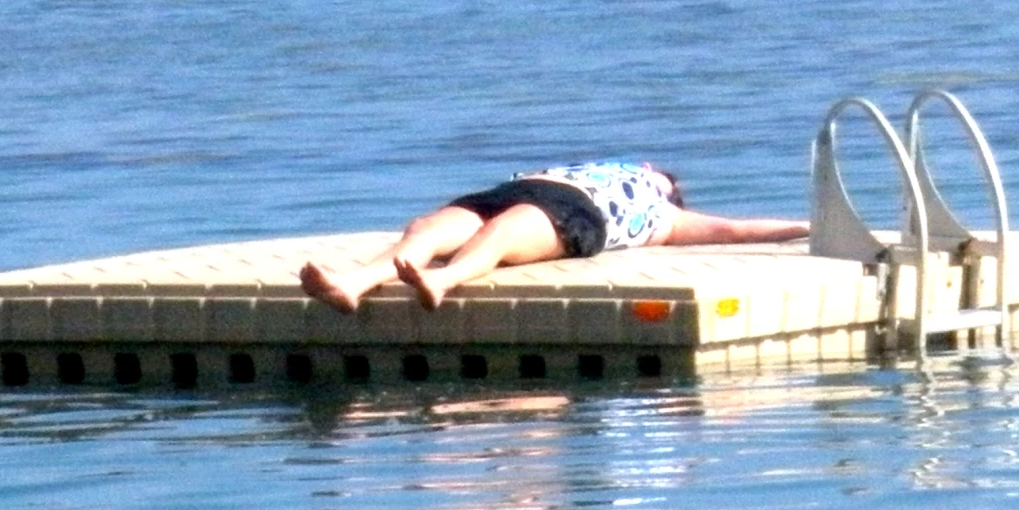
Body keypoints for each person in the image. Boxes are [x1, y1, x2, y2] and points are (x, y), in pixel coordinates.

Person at [299, 159, 808, 312]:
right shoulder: (595, 164)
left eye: (667, 177)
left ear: (670, 190)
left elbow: (736, 230)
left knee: (501, 235)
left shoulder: (665, 216)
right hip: (513, 188)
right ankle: (355, 284)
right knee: (426, 228)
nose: (658, 171)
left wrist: (806, 227)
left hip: (577, 213)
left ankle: (444, 282)